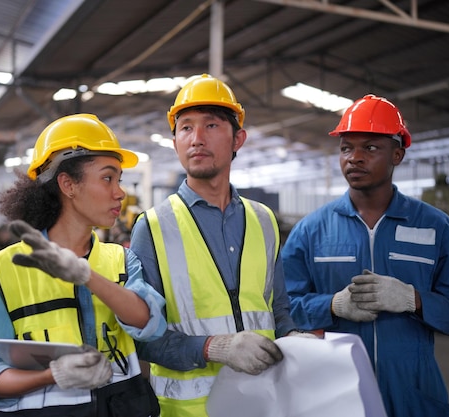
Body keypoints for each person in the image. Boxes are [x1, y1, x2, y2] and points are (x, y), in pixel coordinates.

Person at [129, 74, 316, 417]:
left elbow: (277, 310)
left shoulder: (264, 220)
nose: (196, 138)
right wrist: (216, 347)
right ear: (175, 143)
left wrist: (294, 340)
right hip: (188, 410)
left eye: (212, 125)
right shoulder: (152, 227)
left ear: (238, 139)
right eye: (185, 128)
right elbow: (143, 338)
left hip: (264, 402)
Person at [281, 94, 449, 417]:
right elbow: (281, 309)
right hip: (335, 396)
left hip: (415, 395)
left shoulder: (438, 229)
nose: (354, 158)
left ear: (397, 154)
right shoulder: (310, 232)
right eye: (345, 148)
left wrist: (415, 300)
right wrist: (332, 305)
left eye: (369, 147)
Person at [0, 113, 166, 416]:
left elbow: (149, 323)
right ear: (68, 184)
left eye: (119, 180)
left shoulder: (121, 260)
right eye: (107, 178)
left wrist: (87, 276)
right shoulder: (5, 270)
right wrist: (52, 375)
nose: (120, 192)